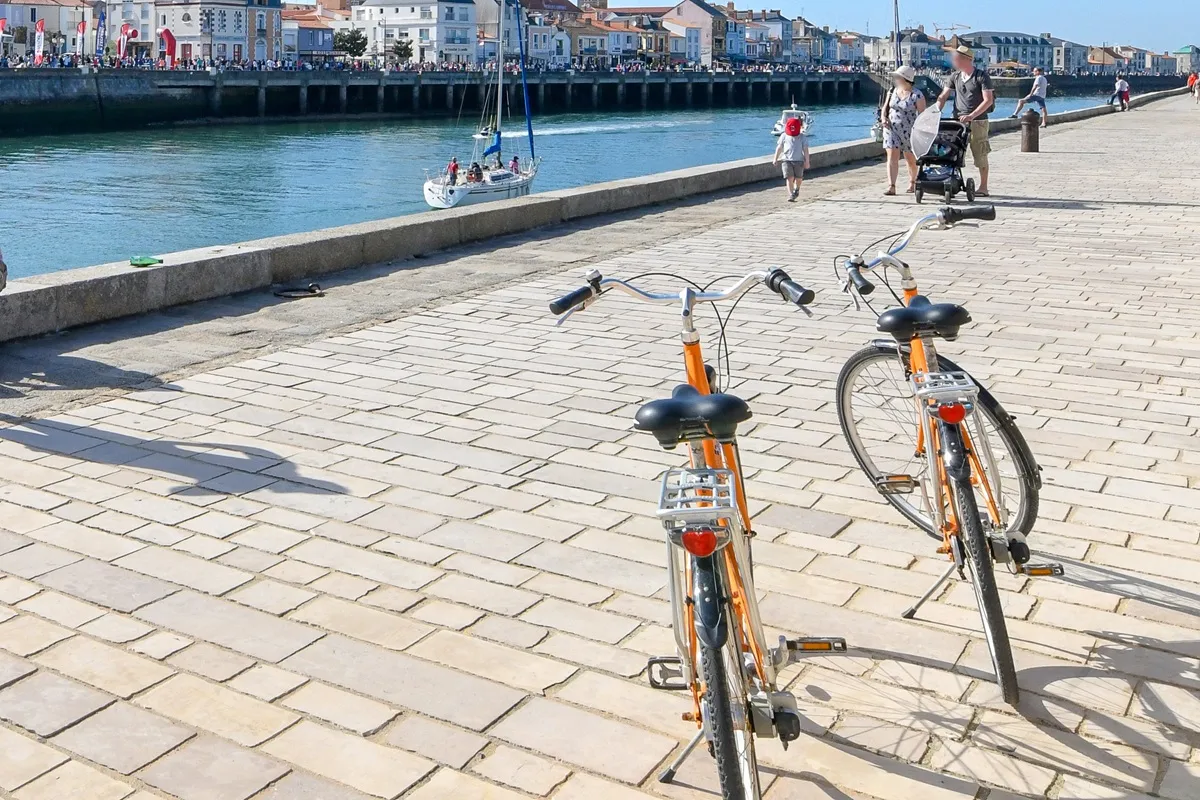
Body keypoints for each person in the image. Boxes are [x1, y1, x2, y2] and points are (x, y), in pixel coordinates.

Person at [937, 45, 995, 197]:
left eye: (955, 59)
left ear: (966, 59)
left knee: (980, 152)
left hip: (978, 121)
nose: (953, 61)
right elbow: (943, 96)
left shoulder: (981, 76)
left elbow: (988, 100)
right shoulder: (955, 76)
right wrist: (936, 110)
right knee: (952, 152)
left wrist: (972, 115)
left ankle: (983, 187)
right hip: (958, 121)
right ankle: (949, 180)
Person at [881, 64, 926, 195]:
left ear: (905, 79)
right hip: (891, 128)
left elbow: (922, 115)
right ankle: (891, 186)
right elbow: (885, 107)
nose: (895, 79)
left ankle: (912, 182)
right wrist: (884, 118)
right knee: (891, 156)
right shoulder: (892, 91)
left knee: (910, 159)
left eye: (897, 77)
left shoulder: (917, 95)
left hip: (910, 131)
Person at [772, 116, 810, 202]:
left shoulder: (802, 137)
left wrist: (807, 161)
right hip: (786, 160)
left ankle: (797, 188)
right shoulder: (784, 136)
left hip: (799, 160)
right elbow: (779, 147)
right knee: (789, 177)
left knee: (798, 178)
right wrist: (775, 158)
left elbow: (805, 150)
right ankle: (791, 195)